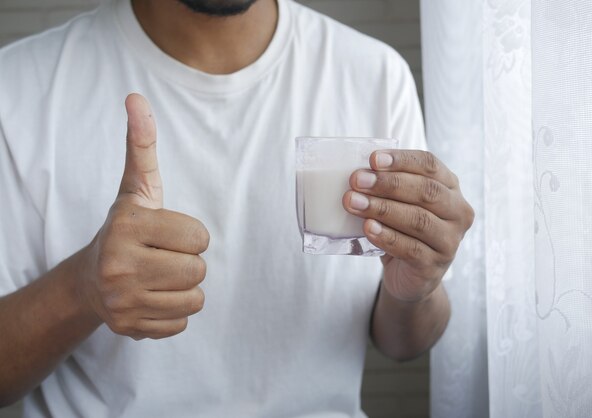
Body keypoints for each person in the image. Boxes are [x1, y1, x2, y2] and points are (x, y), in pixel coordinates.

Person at [0, 0, 474, 416]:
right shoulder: (19, 87)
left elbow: (404, 342)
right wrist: (82, 288)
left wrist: (417, 290)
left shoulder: (374, 74)